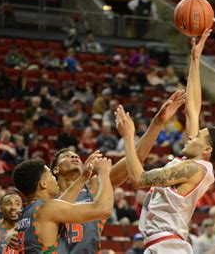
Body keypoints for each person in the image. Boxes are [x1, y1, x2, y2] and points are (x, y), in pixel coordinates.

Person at [115, 29, 215, 253]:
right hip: (164, 244)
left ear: (207, 149)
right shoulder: (194, 164)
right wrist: (195, 60)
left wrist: (129, 138)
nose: (192, 136)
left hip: (169, 246)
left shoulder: (194, 168)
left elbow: (139, 178)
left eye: (198, 136)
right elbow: (192, 110)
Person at [43, 90, 187, 253]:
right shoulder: (48, 196)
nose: (74, 156)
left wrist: (157, 122)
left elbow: (136, 157)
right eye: (66, 156)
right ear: (55, 169)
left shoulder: (95, 186)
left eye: (75, 155)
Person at [11, 157, 113, 253]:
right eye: (50, 175)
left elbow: (62, 202)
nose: (54, 178)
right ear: (43, 184)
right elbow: (103, 209)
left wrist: (82, 178)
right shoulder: (47, 209)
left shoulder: (26, 212)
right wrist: (104, 173)